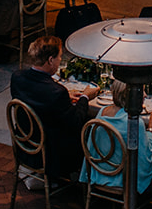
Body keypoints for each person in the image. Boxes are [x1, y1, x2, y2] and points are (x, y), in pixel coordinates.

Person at [11, 36, 97, 181]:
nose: (59, 62)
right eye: (59, 58)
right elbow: (75, 121)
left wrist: (67, 96)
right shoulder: (56, 92)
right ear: (50, 60)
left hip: (25, 146)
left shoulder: (17, 78)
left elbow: (38, 96)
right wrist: (85, 97)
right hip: (52, 155)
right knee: (92, 125)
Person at [80, 81, 152, 196]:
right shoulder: (134, 122)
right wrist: (151, 128)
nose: (144, 95)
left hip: (99, 171)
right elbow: (146, 157)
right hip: (122, 178)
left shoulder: (102, 112)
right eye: (140, 91)